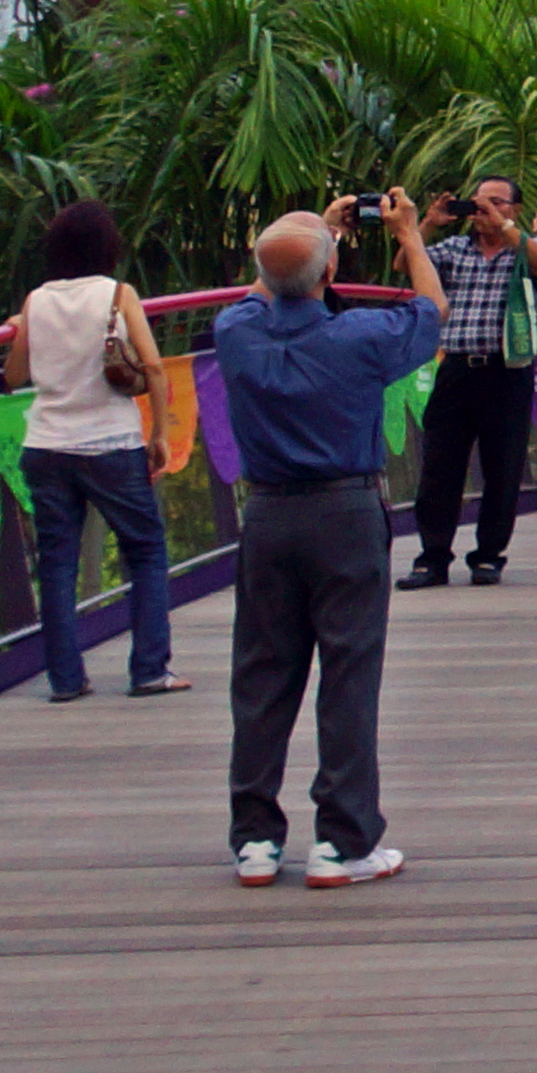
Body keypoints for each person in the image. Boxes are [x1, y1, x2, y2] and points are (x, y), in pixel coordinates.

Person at [213, 192, 444, 887]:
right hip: (344, 514)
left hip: (268, 516)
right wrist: (409, 235)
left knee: (261, 675)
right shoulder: (361, 336)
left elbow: (269, 283)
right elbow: (431, 313)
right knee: (347, 674)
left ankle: (255, 838)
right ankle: (341, 842)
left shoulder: (236, 331)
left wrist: (314, 233)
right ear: (330, 271)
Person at [5, 197, 184, 709]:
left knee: (56, 564)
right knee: (145, 551)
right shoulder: (118, 295)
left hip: (46, 445)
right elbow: (151, 366)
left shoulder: (35, 301)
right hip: (110, 444)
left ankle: (66, 680)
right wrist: (161, 436)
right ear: (108, 248)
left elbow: (14, 378)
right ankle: (149, 670)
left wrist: (19, 331)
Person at [404, 174, 537, 592]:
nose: (483, 210)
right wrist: (427, 225)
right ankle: (432, 558)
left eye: (496, 202)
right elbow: (405, 266)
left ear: (515, 210)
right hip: (458, 369)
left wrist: (506, 230)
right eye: (477, 202)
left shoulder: (523, 249)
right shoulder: (454, 249)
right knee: (439, 467)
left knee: (502, 468)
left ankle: (488, 556)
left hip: (508, 373)